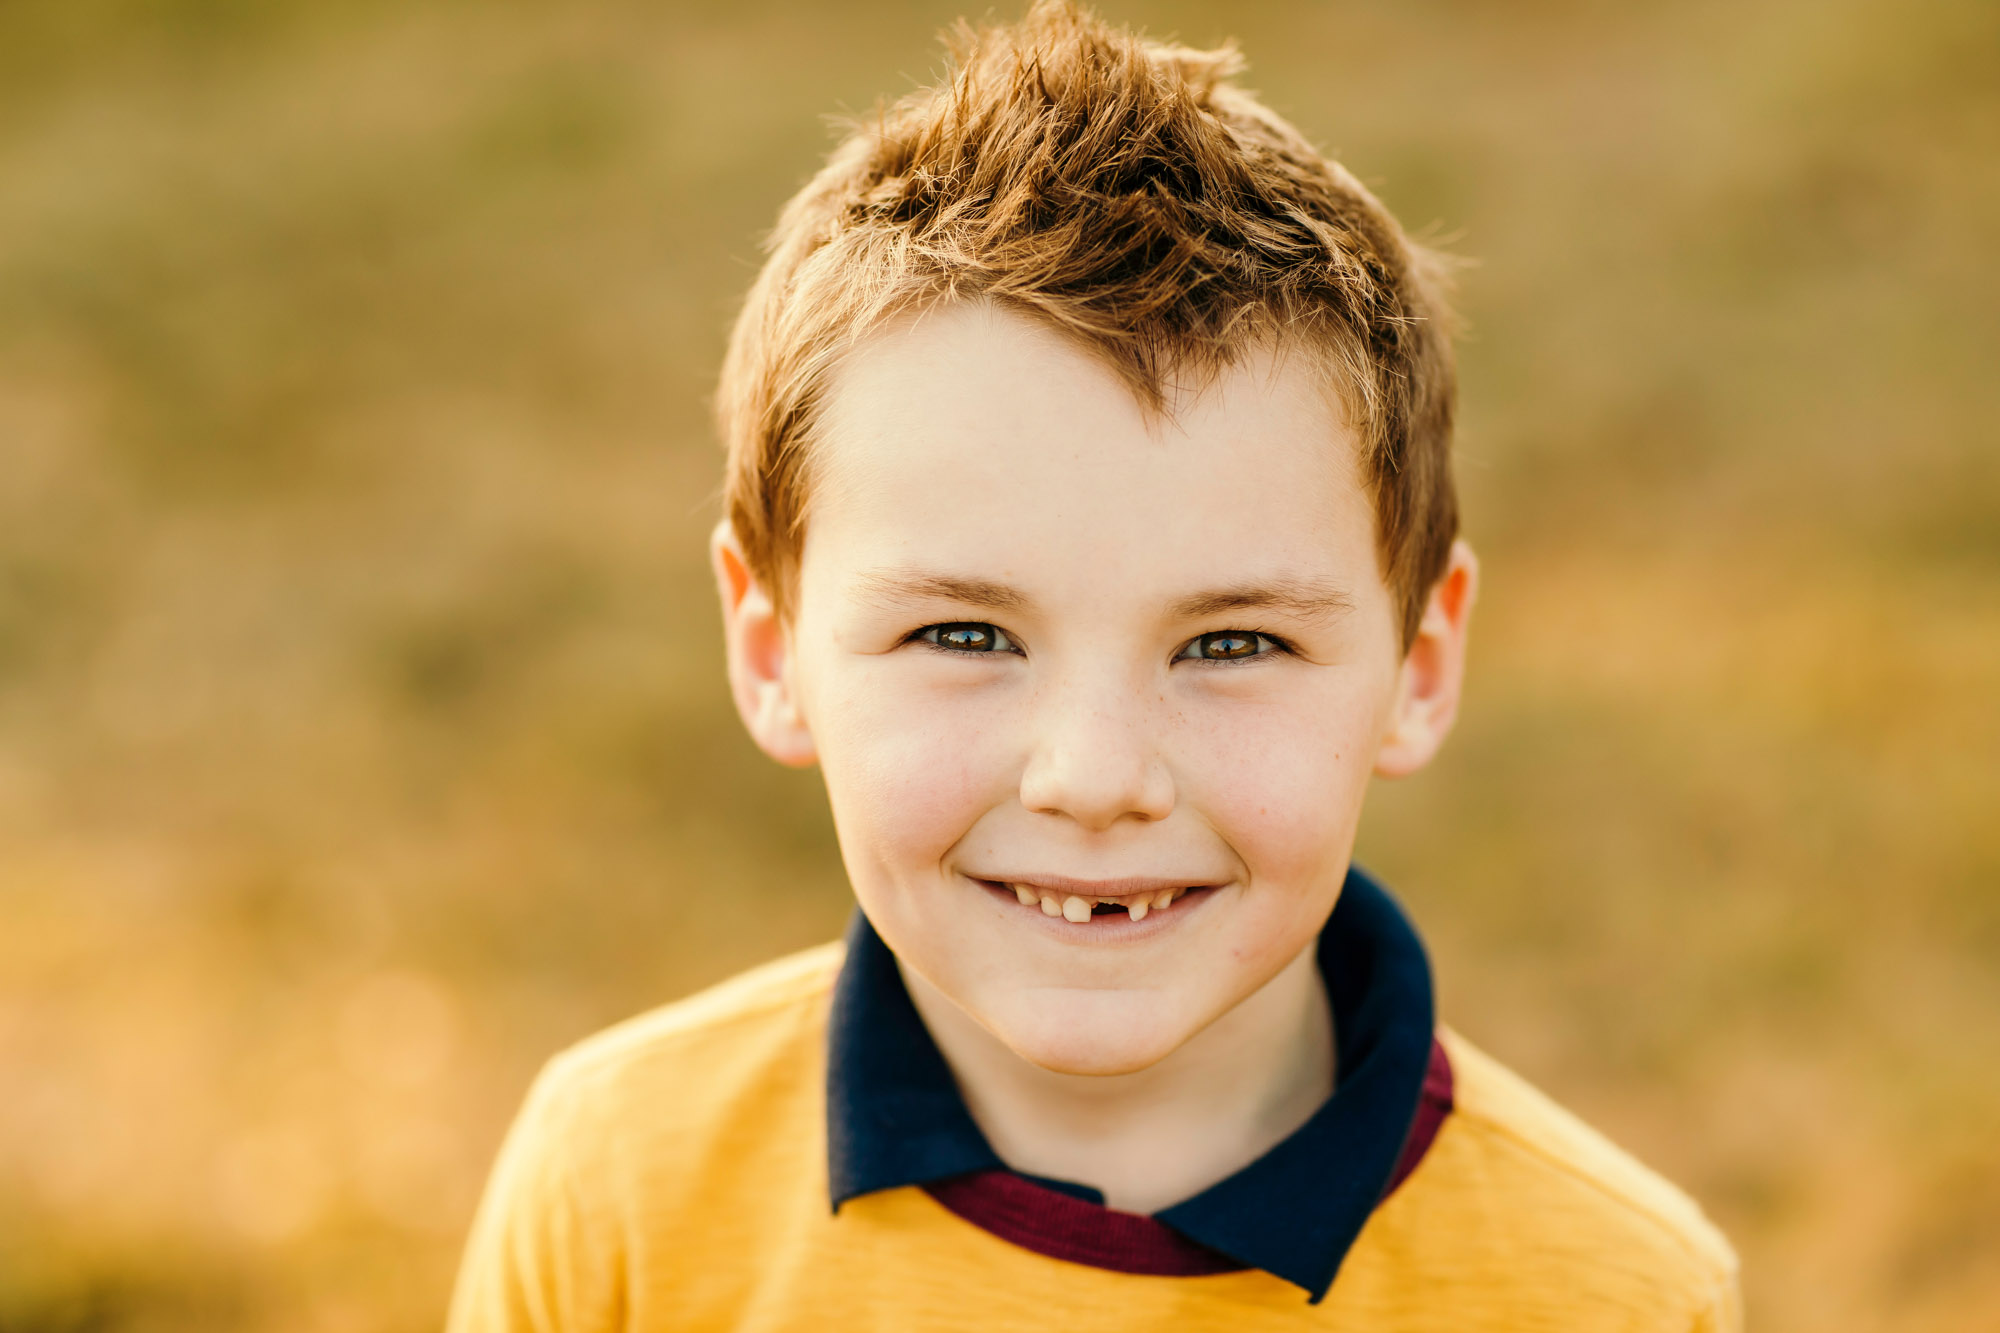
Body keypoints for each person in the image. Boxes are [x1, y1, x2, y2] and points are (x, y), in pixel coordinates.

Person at [446, 2, 1740, 1327]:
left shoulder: (1615, 1290)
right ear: (772, 648)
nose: (1094, 776)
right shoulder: (615, 1195)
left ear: (1419, 661)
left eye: (1233, 642)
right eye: (963, 634)